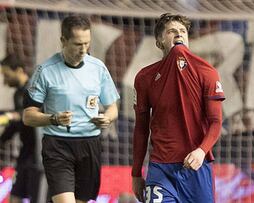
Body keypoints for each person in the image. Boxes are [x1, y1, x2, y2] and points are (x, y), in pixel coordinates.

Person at [23, 15, 120, 203]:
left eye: (87, 43)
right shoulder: (45, 71)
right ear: (63, 41)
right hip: (58, 145)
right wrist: (54, 119)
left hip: (90, 144)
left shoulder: (98, 68)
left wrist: (107, 118)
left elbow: (112, 107)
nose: (83, 49)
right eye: (77, 44)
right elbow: (28, 116)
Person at [131, 13, 225, 203]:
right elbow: (141, 129)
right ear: (159, 41)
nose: (179, 35)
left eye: (182, 31)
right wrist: (135, 173)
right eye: (171, 31)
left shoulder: (207, 72)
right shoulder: (144, 78)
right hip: (160, 169)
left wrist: (201, 150)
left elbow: (216, 122)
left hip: (196, 168)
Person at [0, 54, 44, 203]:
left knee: (35, 198)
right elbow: (15, 125)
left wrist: (9, 117)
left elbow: (25, 115)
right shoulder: (17, 94)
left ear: (19, 70)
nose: (5, 81)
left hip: (38, 155)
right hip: (25, 154)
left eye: (6, 75)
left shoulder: (35, 89)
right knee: (14, 198)